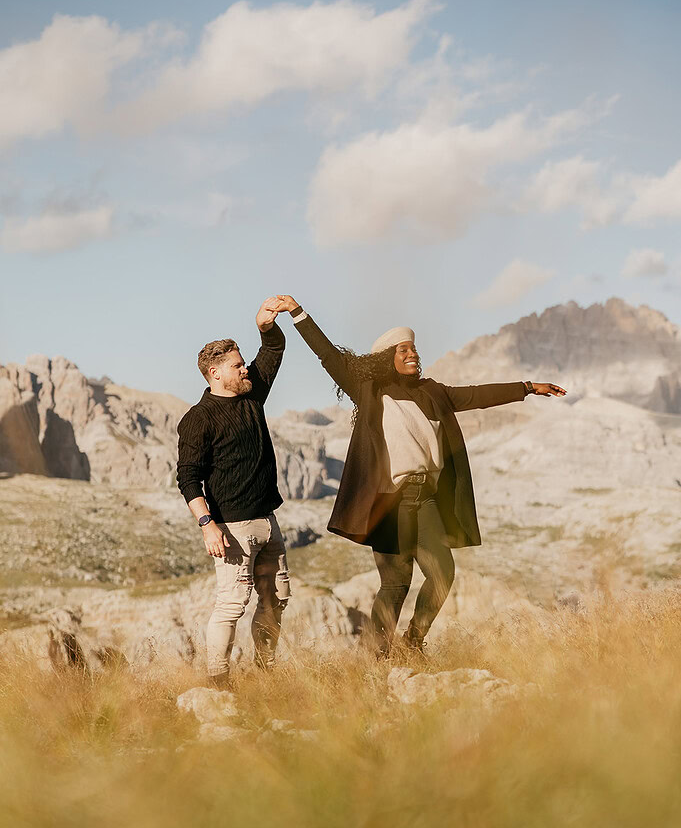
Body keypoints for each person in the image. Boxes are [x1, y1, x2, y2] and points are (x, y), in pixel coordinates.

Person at [271, 294, 566, 656]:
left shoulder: (433, 392)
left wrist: (526, 387)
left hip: (424, 498)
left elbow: (476, 396)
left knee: (442, 572)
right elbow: (329, 355)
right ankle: (376, 658)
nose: (413, 354)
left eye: (415, 350)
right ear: (387, 358)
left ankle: (413, 641)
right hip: (388, 501)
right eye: (404, 350)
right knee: (395, 583)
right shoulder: (369, 390)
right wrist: (297, 313)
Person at [176, 298, 290, 687]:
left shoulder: (251, 394)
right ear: (215, 373)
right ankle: (217, 682)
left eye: (243, 363)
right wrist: (208, 525)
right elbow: (188, 477)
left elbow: (273, 350)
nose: (245, 369)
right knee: (231, 605)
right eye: (237, 365)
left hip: (268, 522)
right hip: (232, 529)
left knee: (277, 599)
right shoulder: (198, 418)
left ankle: (265, 672)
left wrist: (265, 326)